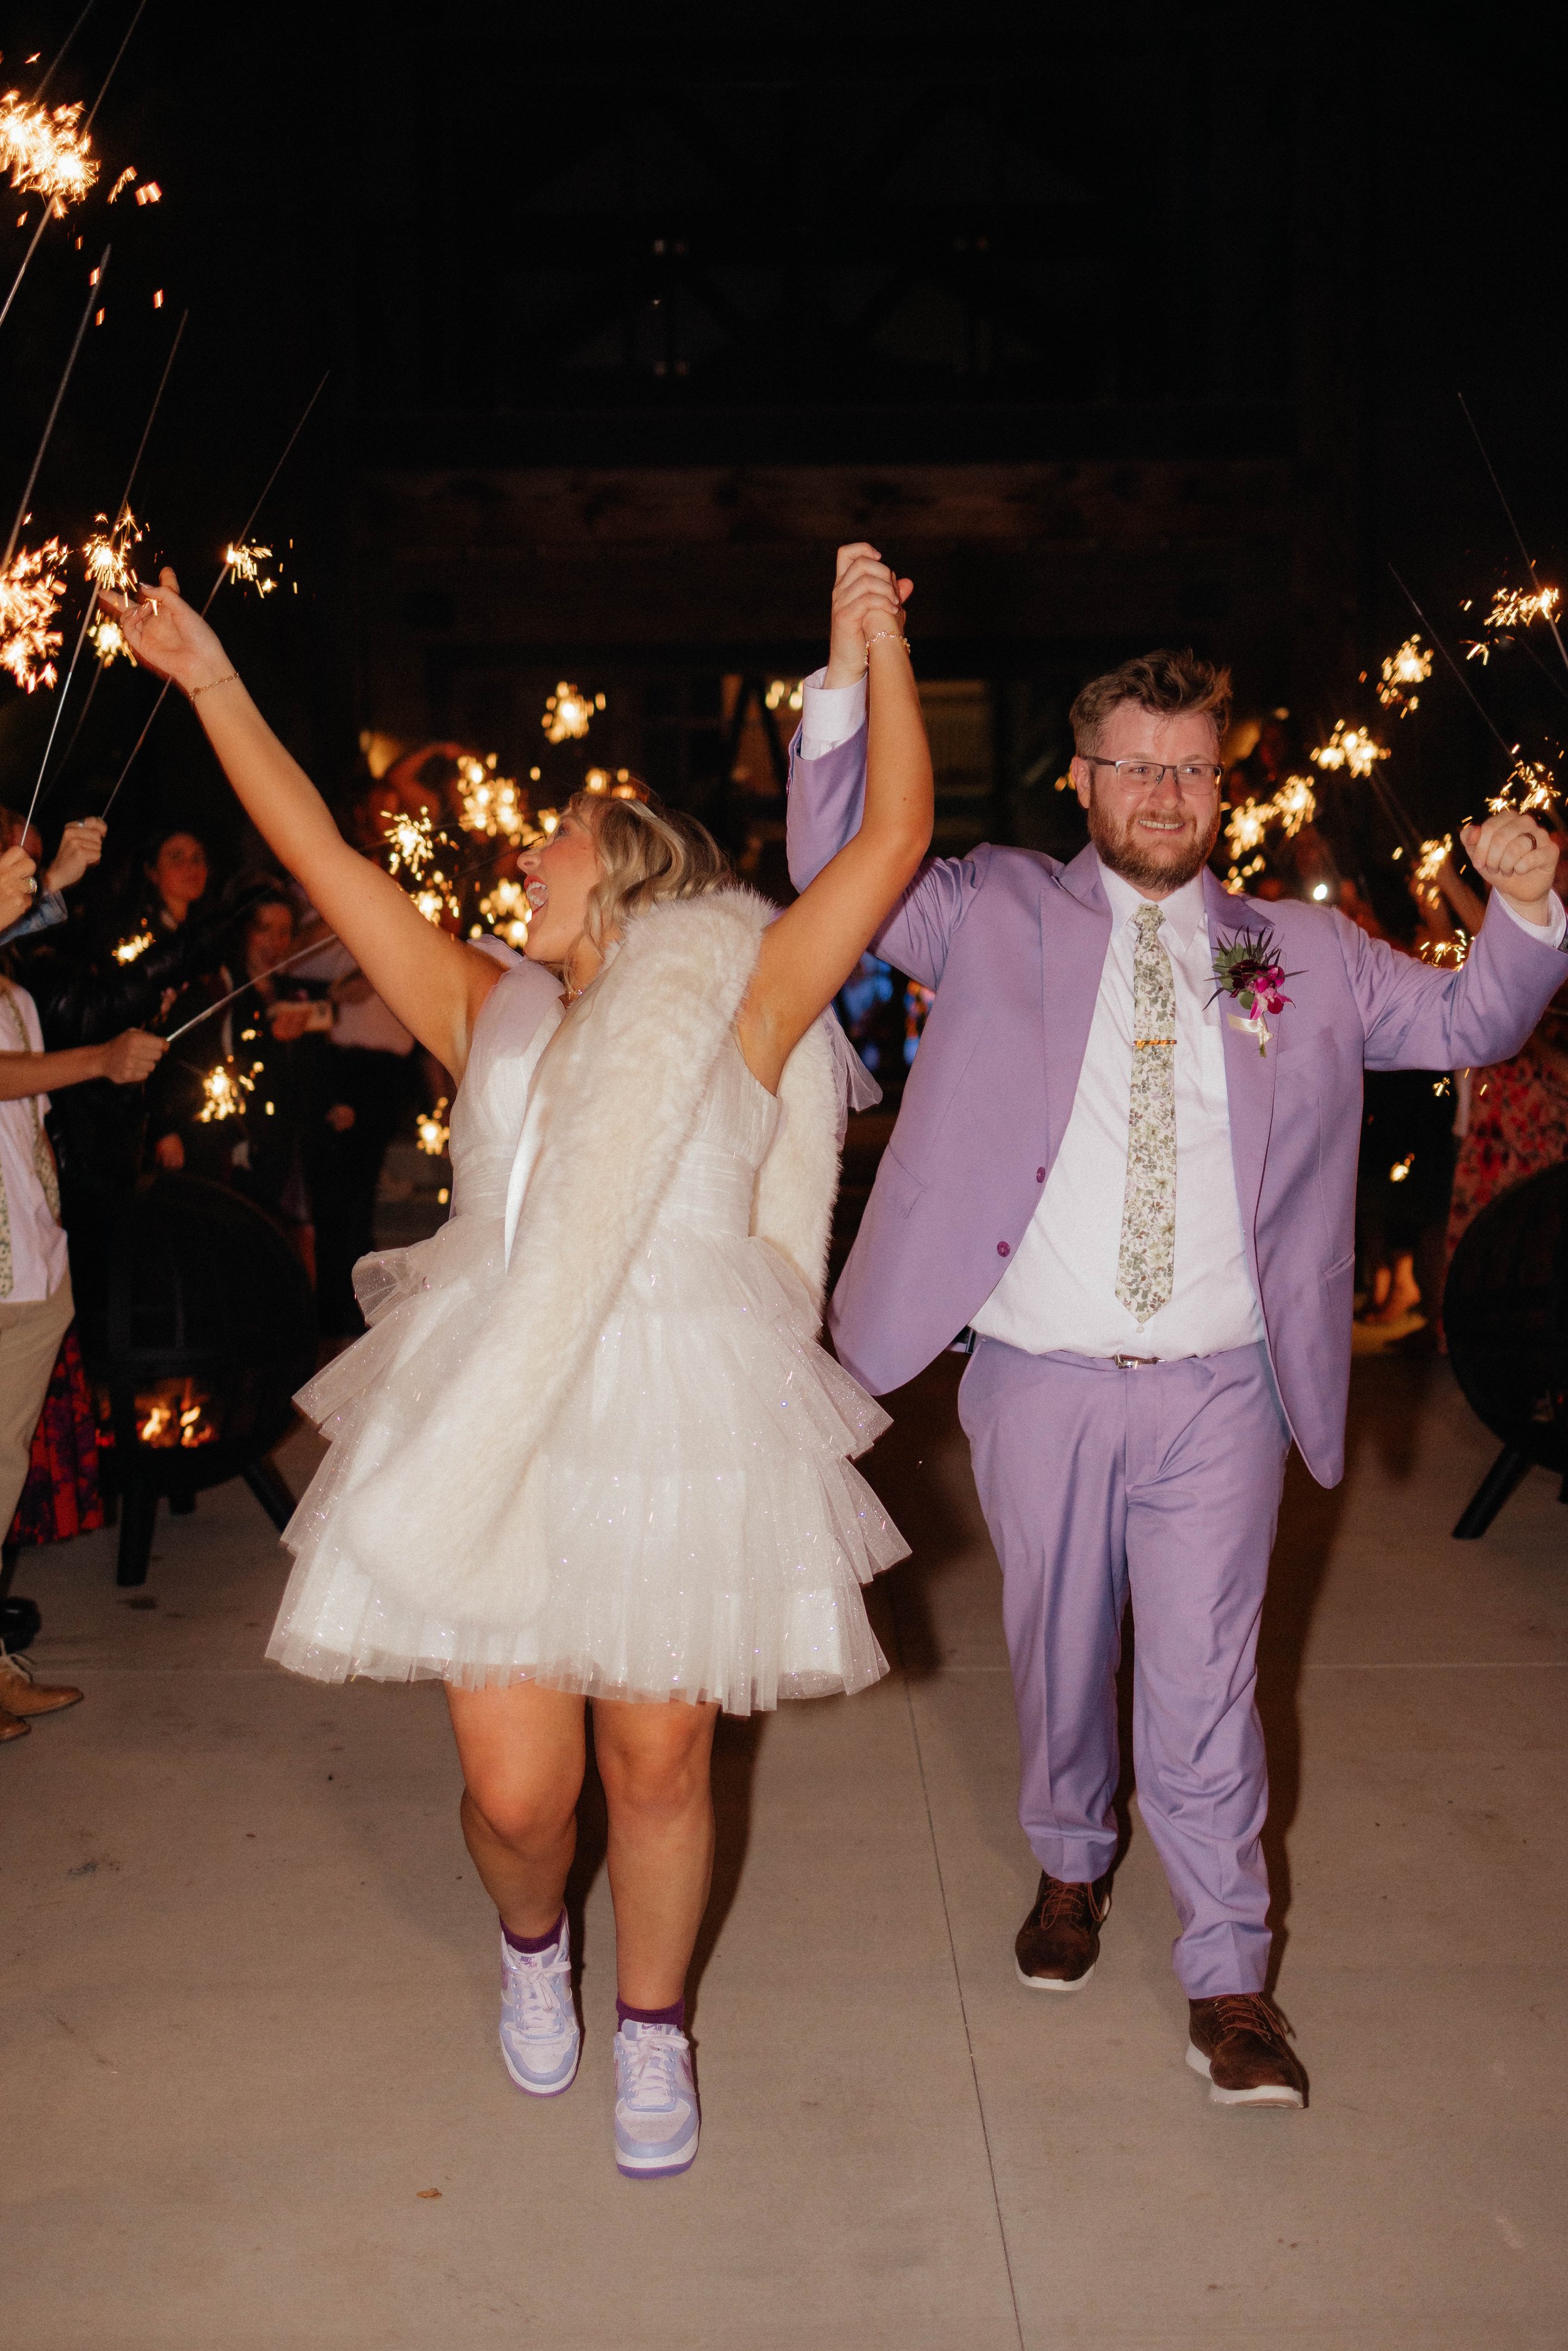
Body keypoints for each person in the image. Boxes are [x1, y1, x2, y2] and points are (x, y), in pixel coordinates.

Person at [105, 560, 931, 2178]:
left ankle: (653, 2028)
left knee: (660, 1758)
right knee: (517, 1795)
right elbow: (321, 854)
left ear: (625, 868)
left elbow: (893, 836)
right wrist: (207, 677)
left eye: (549, 841)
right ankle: (533, 1939)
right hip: (497, 1396)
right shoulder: (478, 997)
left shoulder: (746, 995)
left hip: (681, 1411)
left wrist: (881, 638)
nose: (520, 861)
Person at [786, 543, 1568, 2110]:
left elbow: (1470, 1017)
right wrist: (846, 673)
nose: (1163, 793)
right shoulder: (991, 907)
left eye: (1190, 768)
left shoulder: (1296, 949)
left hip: (1221, 1389)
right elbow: (836, 864)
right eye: (1134, 766)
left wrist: (1530, 904)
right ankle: (1070, 1856)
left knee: (1204, 1686)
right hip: (1035, 1378)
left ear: (1223, 783)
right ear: (1078, 779)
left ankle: (1228, 1974)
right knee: (1056, 1652)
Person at [0, 947, 166, 1741]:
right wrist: (100, 1058)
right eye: (20, 881)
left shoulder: (16, 991)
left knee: (3, 1474)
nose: (31, 889)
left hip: (32, 1262)